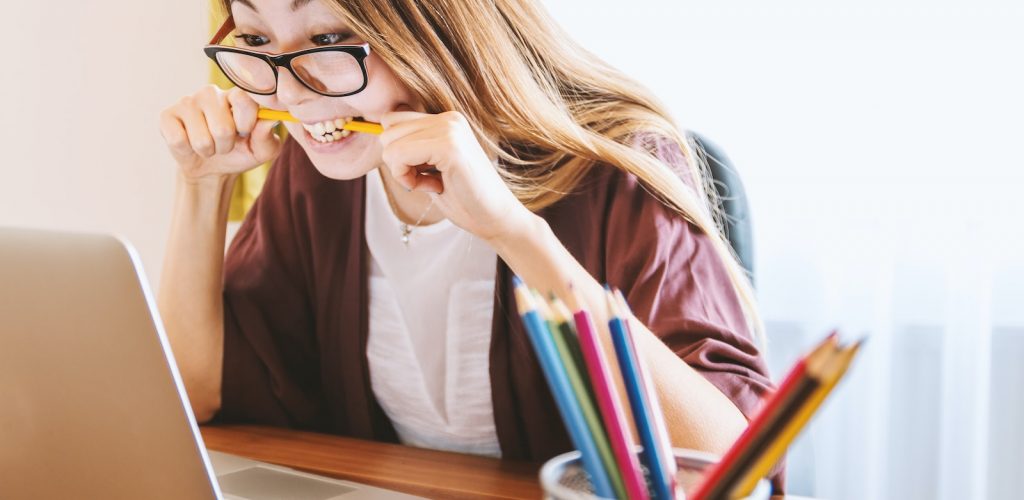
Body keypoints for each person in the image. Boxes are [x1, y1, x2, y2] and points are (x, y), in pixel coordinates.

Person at [158, 0, 783, 492]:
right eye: (256, 40)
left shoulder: (616, 170)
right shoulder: (319, 174)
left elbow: (731, 465)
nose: (289, 94)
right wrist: (202, 186)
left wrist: (512, 231)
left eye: (327, 40)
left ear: (437, 26)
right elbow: (196, 393)